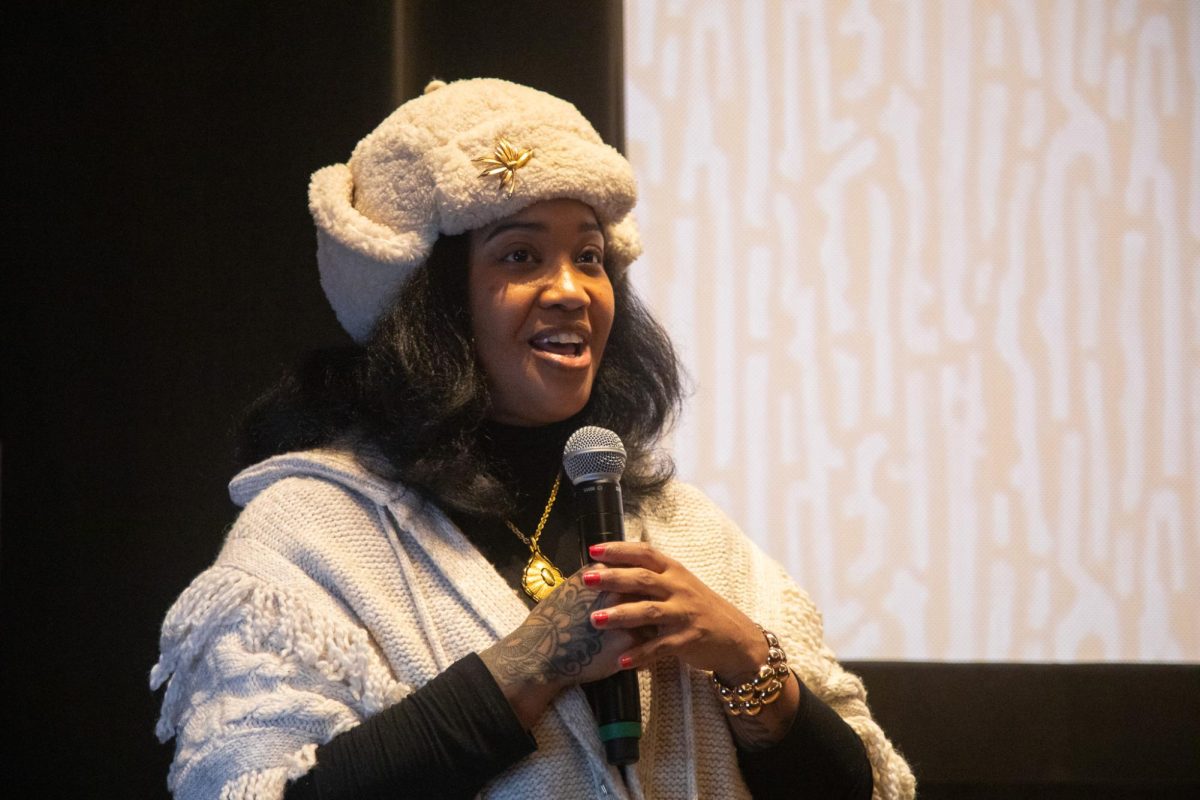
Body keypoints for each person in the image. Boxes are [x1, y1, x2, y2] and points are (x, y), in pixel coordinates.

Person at [151, 78, 915, 800]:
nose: (572, 290)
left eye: (590, 257)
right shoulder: (314, 535)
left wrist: (746, 657)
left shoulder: (690, 531)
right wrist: (524, 667)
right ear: (431, 301)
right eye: (521, 256)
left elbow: (867, 788)